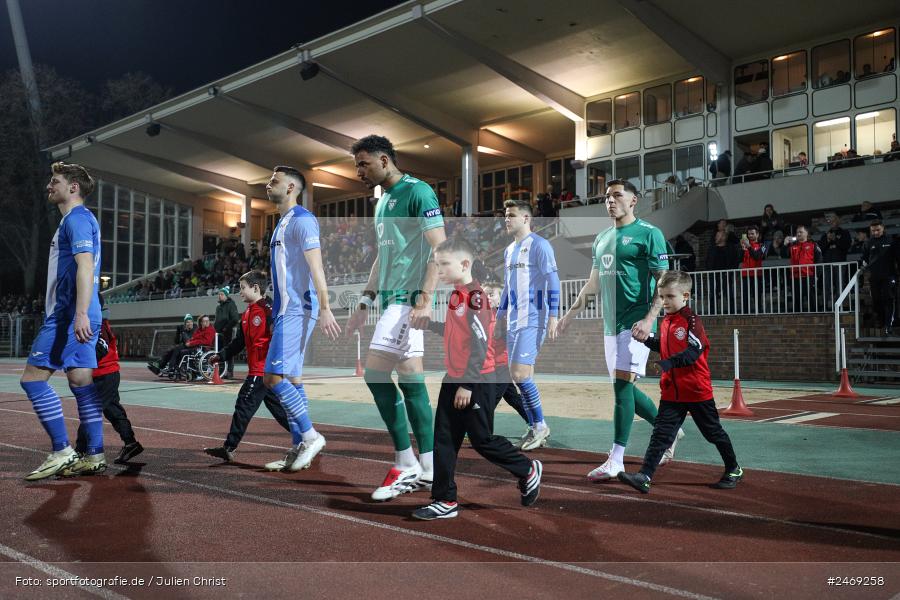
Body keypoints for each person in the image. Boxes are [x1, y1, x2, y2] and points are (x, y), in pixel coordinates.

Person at [551, 179, 682, 481]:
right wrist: (568, 316)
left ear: (634, 200)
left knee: (621, 388)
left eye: (617, 196)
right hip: (610, 325)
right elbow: (593, 284)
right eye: (607, 197)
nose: (610, 201)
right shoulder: (602, 238)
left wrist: (650, 319)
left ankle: (617, 459)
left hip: (636, 323)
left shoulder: (650, 234)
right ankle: (669, 429)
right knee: (626, 389)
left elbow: (664, 282)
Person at [345, 135, 447, 501]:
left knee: (375, 373)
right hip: (390, 301)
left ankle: (406, 462)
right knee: (410, 378)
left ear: (384, 160)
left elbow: (440, 248)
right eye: (357, 165)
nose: (358, 171)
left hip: (407, 301)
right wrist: (363, 303)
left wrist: (424, 299)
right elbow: (381, 257)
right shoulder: (382, 201)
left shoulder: (418, 193)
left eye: (363, 164)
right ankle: (433, 468)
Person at [411, 237, 541, 520]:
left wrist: (468, 384)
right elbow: (459, 332)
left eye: (444, 264)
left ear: (465, 264)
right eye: (436, 264)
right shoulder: (456, 295)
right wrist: (430, 324)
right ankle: (445, 500)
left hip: (477, 379)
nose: (439, 269)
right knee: (444, 439)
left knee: (482, 440)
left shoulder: (476, 296)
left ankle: (527, 469)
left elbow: (480, 345)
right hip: (454, 377)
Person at [617, 271, 742, 494]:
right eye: (662, 296)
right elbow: (665, 346)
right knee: (661, 434)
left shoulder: (692, 321)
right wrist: (647, 340)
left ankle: (733, 468)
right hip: (672, 393)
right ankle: (644, 476)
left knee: (712, 433)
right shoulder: (666, 321)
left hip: (696, 391)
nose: (665, 301)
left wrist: (667, 364)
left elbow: (694, 352)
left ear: (685, 296)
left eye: (670, 297)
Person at [20, 162, 106, 479]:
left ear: (73, 187)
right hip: (80, 311)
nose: (48, 186)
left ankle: (62, 450)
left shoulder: (77, 219)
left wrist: (80, 313)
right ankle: (94, 453)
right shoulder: (76, 220)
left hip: (69, 314)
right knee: (81, 384)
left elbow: (85, 267)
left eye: (54, 181)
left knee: (31, 379)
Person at [261, 166, 341, 473]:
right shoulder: (282, 222)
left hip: (297, 310)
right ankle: (298, 447)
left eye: (274, 181)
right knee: (293, 380)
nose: (268, 185)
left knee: (273, 379)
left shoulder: (303, 221)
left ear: (292, 187)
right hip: (286, 311)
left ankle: (310, 436)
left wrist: (325, 307)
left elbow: (317, 267)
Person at [204, 270, 296, 463]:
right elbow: (239, 342)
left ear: (255, 288)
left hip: (262, 371)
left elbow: (283, 335)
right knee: (280, 411)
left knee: (243, 405)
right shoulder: (246, 314)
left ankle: (229, 447)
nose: (240, 292)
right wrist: (220, 356)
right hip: (263, 373)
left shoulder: (268, 309)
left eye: (243, 288)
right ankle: (307, 436)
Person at [495, 198, 560, 450]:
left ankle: (541, 425)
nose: (506, 219)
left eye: (511, 214)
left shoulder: (540, 245)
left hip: (533, 319)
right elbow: (508, 287)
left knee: (519, 374)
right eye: (505, 214)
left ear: (526, 218)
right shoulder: (509, 250)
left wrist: (553, 315)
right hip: (513, 320)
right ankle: (534, 427)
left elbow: (553, 281)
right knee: (523, 376)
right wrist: (500, 316)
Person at [76, 293, 143, 465]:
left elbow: (101, 348)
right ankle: (130, 443)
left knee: (89, 412)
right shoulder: (97, 321)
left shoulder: (97, 323)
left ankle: (80, 451)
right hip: (106, 373)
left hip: (104, 374)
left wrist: (79, 360)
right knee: (112, 410)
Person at [482, 280, 529, 428]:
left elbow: (511, 336)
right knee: (513, 398)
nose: (487, 298)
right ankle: (536, 424)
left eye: (491, 295)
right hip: (490, 366)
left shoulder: (504, 316)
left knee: (489, 400)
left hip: (501, 365)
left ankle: (483, 433)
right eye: (483, 295)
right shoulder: (482, 315)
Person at [861, 221, 899, 335]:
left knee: (888, 299)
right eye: (873, 230)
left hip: (889, 276)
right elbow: (864, 259)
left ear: (883, 228)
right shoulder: (868, 243)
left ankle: (889, 325)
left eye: (878, 230)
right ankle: (881, 320)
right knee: (876, 300)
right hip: (874, 277)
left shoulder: (891, 240)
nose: (875, 232)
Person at [785, 226, 822, 312]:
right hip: (795, 277)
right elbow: (784, 254)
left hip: (809, 275)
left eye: (801, 232)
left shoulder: (813, 244)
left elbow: (819, 261)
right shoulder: (793, 246)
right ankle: (797, 317)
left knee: (811, 297)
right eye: (797, 232)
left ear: (807, 233)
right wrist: (785, 244)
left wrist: (817, 275)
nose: (798, 234)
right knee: (797, 299)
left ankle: (815, 315)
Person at [739, 226, 767, 313]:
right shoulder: (744, 245)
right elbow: (739, 259)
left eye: (752, 233)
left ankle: (759, 313)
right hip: (745, 274)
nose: (750, 235)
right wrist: (742, 250)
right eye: (749, 234)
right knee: (745, 296)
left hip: (756, 275)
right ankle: (745, 314)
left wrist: (749, 247)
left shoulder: (762, 245)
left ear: (757, 234)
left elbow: (757, 256)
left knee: (757, 295)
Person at [214, 286, 240, 379]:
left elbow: (235, 319)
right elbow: (217, 320)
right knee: (220, 351)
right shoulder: (218, 307)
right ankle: (221, 371)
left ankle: (229, 372)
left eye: (221, 294)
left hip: (229, 331)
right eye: (219, 294)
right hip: (219, 332)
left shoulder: (231, 305)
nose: (219, 296)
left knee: (229, 351)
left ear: (226, 295)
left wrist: (226, 328)